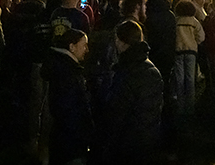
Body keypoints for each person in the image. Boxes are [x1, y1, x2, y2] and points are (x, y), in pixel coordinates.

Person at [101, 20, 163, 165]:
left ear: (121, 41)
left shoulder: (125, 72)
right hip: (147, 139)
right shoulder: (151, 69)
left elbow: (117, 110)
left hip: (126, 142)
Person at [41, 28, 92, 165]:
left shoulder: (61, 68)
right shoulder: (69, 74)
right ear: (72, 47)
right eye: (84, 45)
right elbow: (70, 109)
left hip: (61, 139)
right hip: (71, 142)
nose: (87, 50)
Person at [173, 0, 204, 117]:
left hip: (179, 51)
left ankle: (180, 107)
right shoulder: (194, 22)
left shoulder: (176, 21)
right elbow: (201, 37)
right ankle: (190, 107)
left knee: (179, 79)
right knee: (190, 79)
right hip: (191, 51)